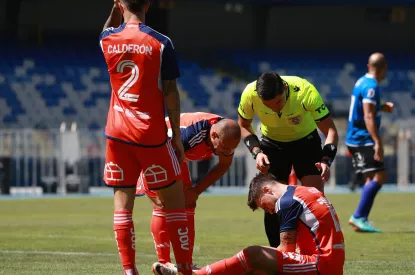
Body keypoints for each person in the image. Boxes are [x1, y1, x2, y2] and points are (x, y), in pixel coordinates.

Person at [100, 0, 193, 273]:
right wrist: (176, 136)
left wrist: (115, 7)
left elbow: (104, 30)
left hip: (116, 134)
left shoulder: (108, 39)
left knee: (122, 205)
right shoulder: (161, 42)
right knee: (176, 200)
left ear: (119, 4)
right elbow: (171, 92)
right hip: (150, 134)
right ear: (148, 5)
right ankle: (185, 267)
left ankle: (129, 271)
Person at [153, 173, 345, 275]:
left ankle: (197, 274)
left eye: (265, 205)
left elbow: (286, 250)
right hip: (327, 262)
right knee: (255, 264)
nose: (270, 211)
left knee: (253, 254)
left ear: (267, 189)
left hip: (321, 266)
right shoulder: (306, 191)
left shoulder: (287, 202)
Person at [238, 72, 339, 248]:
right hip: (272, 144)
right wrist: (257, 152)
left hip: (306, 142)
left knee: (314, 197)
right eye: (268, 106)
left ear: (285, 89)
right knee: (271, 200)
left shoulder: (305, 91)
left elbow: (330, 130)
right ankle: (278, 253)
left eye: (278, 102)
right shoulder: (249, 93)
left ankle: (316, 250)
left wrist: (326, 159)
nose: (275, 109)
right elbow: (244, 125)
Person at [136, 112, 240, 270]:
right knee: (163, 206)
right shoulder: (189, 135)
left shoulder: (226, 137)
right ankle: (163, 262)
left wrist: (196, 191)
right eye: (225, 148)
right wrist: (152, 194)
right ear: (214, 135)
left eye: (231, 149)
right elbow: (152, 158)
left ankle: (186, 263)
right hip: (158, 152)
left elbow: (223, 165)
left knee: (189, 202)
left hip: (177, 156)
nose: (227, 152)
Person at [346, 52, 394, 233]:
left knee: (370, 177)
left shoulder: (361, 81)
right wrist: (377, 141)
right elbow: (367, 114)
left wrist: (382, 106)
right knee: (380, 176)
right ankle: (358, 216)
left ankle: (362, 220)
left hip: (357, 137)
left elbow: (364, 107)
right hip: (362, 138)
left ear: (369, 66)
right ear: (383, 69)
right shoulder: (371, 86)